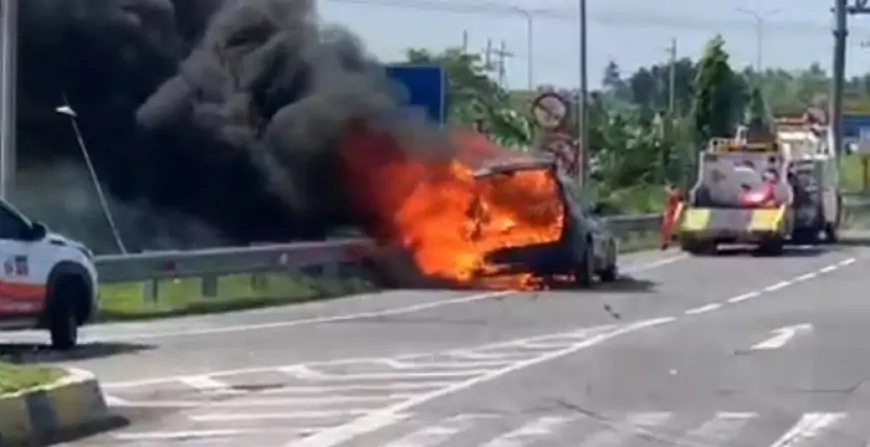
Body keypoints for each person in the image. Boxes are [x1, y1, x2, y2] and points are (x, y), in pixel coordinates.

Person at [660, 183, 685, 250]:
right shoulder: (671, 195)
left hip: (675, 213)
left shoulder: (678, 195)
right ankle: (665, 242)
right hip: (670, 213)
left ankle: (671, 240)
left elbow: (681, 203)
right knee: (666, 228)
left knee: (672, 227)